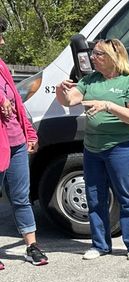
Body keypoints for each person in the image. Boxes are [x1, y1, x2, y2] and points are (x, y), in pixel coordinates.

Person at [55, 39, 129, 261]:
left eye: (97, 54)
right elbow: (69, 101)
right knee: (94, 197)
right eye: (93, 54)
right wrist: (61, 91)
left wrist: (108, 105)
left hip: (122, 147)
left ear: (112, 57)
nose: (92, 58)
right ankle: (100, 244)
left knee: (127, 196)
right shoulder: (89, 80)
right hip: (93, 149)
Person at [0, 18, 47, 269]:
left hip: (15, 141)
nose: (3, 40)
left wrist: (29, 133)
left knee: (21, 197)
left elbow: (18, 103)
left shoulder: (1, 66)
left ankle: (32, 246)